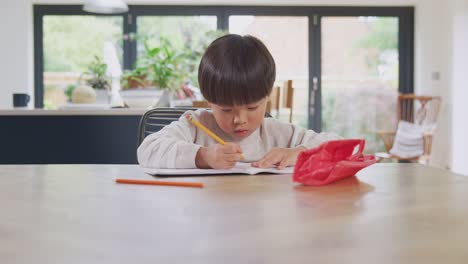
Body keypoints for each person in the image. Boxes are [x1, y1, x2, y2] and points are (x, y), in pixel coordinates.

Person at [137, 34, 340, 170]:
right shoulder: (195, 126)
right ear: (209, 101)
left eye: (252, 107)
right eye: (226, 110)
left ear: (267, 95)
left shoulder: (277, 133)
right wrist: (203, 156)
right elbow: (147, 150)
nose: (239, 120)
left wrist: (300, 152)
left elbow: (342, 146)